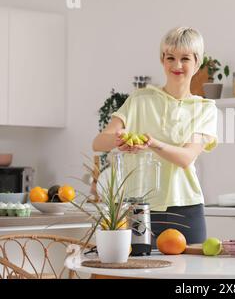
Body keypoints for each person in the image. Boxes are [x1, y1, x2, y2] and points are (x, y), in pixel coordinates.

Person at [92, 27, 218, 245]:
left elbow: (186, 157)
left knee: (187, 275)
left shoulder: (205, 108)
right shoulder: (140, 99)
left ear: (197, 63)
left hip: (186, 209)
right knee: (139, 274)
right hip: (139, 207)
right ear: (162, 60)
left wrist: (152, 143)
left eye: (185, 58)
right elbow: (98, 143)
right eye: (170, 58)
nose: (177, 65)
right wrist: (119, 139)